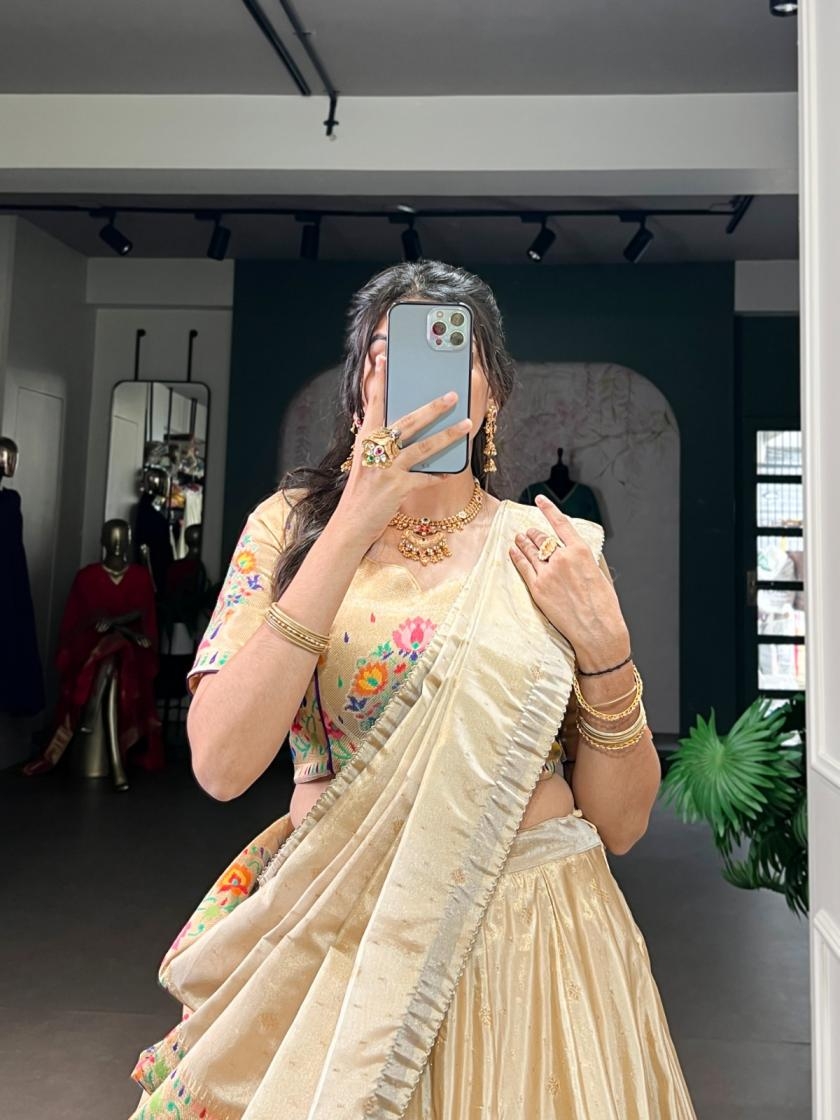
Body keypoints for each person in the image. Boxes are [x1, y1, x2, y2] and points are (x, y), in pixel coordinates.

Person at [129, 261, 697, 1119]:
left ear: (493, 393)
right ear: (358, 390)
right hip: (345, 932)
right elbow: (220, 763)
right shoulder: (289, 530)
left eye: (450, 349)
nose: (419, 373)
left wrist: (608, 652)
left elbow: (621, 823)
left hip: (538, 943)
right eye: (387, 353)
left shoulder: (548, 548)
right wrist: (353, 521)